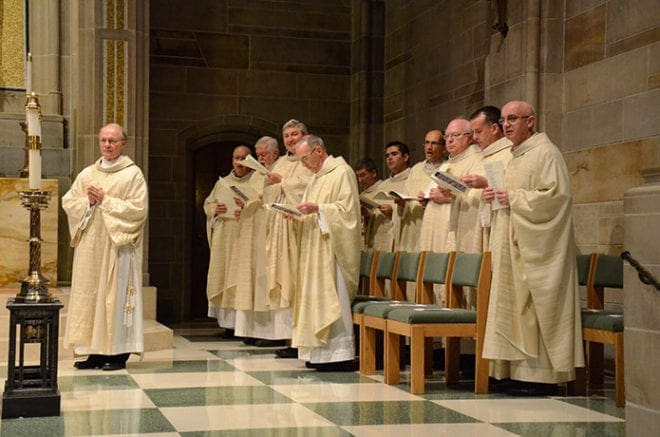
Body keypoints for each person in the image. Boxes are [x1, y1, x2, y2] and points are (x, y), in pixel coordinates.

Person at [482, 100, 584, 396]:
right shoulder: (515, 157)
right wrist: (496, 196)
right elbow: (512, 196)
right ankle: (511, 371)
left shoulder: (546, 153)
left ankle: (539, 376)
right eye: (504, 120)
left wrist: (513, 197)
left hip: (536, 249)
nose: (507, 125)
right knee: (512, 309)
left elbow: (555, 198)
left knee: (532, 307)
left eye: (513, 118)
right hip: (511, 246)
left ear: (531, 121)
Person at [62, 123, 148, 371]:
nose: (108, 145)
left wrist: (105, 201)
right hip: (91, 248)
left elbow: (138, 210)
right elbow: (70, 201)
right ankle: (95, 352)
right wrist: (88, 204)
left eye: (113, 141)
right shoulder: (88, 173)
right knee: (91, 298)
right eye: (104, 140)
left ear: (124, 143)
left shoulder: (133, 174)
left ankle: (118, 353)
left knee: (114, 298)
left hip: (117, 247)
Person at [292, 135, 361, 371]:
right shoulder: (316, 178)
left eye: (305, 158)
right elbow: (310, 209)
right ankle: (317, 353)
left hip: (332, 252)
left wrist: (319, 209)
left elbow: (348, 213)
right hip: (315, 250)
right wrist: (298, 214)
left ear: (319, 151)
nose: (304, 165)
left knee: (333, 299)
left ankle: (338, 354)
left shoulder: (342, 172)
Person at [266, 120, 313, 358]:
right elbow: (268, 193)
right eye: (286, 135)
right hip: (281, 228)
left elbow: (309, 186)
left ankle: (300, 340)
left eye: (295, 134)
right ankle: (289, 337)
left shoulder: (309, 160)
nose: (291, 139)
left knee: (298, 281)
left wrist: (282, 183)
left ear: (305, 135)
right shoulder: (283, 162)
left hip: (301, 228)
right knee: (286, 279)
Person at [204, 145, 263, 336]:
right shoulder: (222, 183)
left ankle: (243, 324)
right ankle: (228, 325)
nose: (238, 162)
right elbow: (208, 203)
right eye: (236, 158)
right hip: (224, 236)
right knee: (223, 277)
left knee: (241, 279)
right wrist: (214, 210)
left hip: (243, 236)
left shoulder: (256, 182)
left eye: (243, 158)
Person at [461, 106, 512, 250]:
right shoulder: (481, 157)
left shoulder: (509, 152)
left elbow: (514, 187)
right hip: (479, 226)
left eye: (478, 132)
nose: (475, 138)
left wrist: (485, 183)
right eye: (473, 133)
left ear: (495, 128)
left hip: (502, 226)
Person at [396, 130, 446, 252]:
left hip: (434, 226)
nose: (429, 147)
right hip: (412, 226)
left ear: (444, 147)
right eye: (426, 143)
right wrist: (402, 204)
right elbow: (406, 194)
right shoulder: (416, 169)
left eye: (434, 143)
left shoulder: (447, 168)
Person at [355, 157, 394, 251]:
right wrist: (366, 216)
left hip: (383, 239)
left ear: (374, 173)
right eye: (358, 176)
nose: (360, 180)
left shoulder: (386, 188)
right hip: (367, 242)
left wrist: (390, 211)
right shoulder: (362, 196)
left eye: (363, 175)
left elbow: (395, 215)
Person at [381, 141, 411, 251]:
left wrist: (393, 211)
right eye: (387, 155)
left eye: (394, 154)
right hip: (384, 239)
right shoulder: (383, 185)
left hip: (405, 239)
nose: (389, 158)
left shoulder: (414, 179)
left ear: (405, 157)